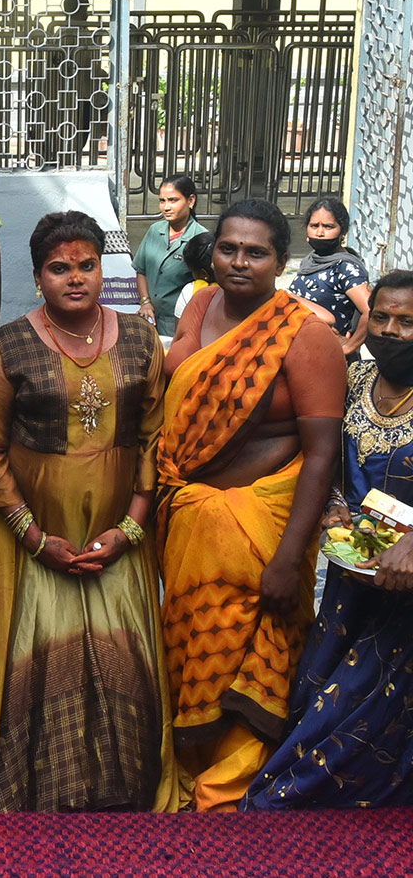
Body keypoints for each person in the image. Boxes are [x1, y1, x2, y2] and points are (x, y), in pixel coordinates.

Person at [0, 210, 178, 813]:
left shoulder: (138, 337)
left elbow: (155, 438)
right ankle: (48, 791)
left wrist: (130, 528)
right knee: (42, 654)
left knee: (125, 650)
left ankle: (124, 789)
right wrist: (33, 537)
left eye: (86, 265)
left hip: (118, 529)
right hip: (38, 536)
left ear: (104, 269)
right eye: (59, 268)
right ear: (38, 277)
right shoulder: (13, 344)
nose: (74, 278)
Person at [158, 198, 346, 812]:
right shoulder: (201, 303)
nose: (239, 261)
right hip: (188, 516)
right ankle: (190, 768)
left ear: (280, 261)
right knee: (191, 646)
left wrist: (292, 557)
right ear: (212, 253)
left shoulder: (305, 334)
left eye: (256, 251)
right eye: (228, 248)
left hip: (260, 525)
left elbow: (322, 453)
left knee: (249, 648)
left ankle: (228, 788)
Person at [244, 270, 413, 810]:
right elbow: (324, 460)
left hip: (404, 592)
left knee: (358, 714)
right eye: (381, 317)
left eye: (408, 322)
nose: (391, 330)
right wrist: (332, 510)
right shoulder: (352, 381)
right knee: (319, 690)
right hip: (348, 578)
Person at [287, 197, 370, 360]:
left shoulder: (345, 268)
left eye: (328, 226)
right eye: (314, 226)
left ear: (343, 231)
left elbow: (372, 310)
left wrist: (351, 346)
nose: (319, 232)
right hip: (303, 351)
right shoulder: (311, 260)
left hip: (329, 358)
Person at [133, 174, 209, 337]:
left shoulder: (201, 240)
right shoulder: (154, 231)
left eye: (173, 200)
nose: (166, 207)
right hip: (150, 319)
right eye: (162, 201)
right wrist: (145, 302)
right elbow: (141, 270)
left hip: (180, 324)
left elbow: (207, 288)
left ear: (191, 201)